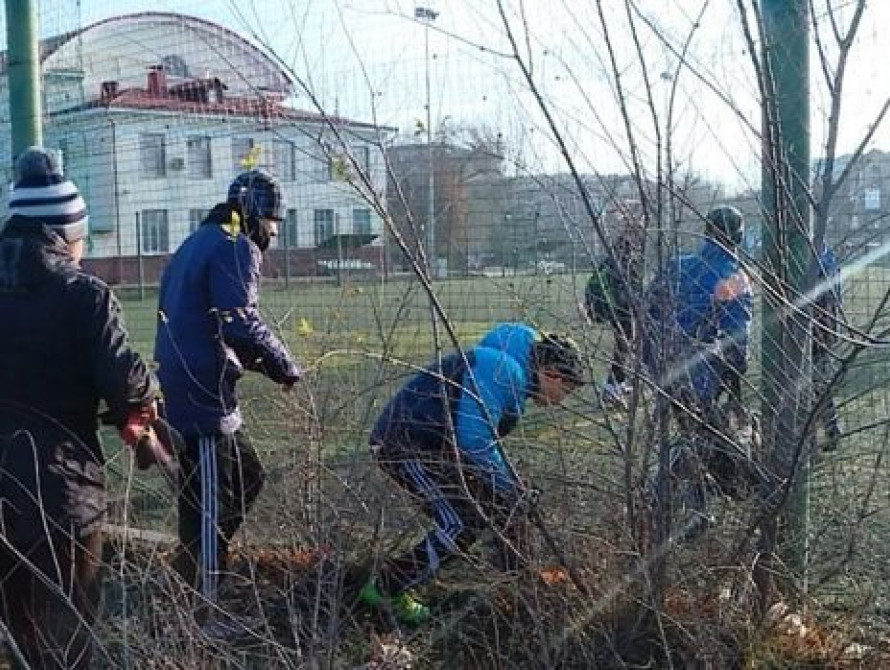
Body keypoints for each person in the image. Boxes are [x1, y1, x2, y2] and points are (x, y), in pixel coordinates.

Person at [0, 147, 160, 668]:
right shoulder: (83, 294)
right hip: (61, 499)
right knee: (67, 642)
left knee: (17, 635)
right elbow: (123, 381)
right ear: (67, 235)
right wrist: (146, 396)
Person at [360, 323, 585, 625]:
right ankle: (385, 589)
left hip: (436, 449)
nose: (562, 400)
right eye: (565, 390)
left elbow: (475, 442)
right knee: (459, 522)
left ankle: (523, 591)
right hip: (406, 445)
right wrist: (510, 485)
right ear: (551, 374)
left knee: (504, 507)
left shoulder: (508, 371)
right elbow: (474, 442)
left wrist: (511, 488)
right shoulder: (504, 373)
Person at [154, 170, 301, 629]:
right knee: (212, 500)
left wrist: (255, 364)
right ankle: (205, 610)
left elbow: (210, 321)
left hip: (192, 381)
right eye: (271, 224)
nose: (272, 234)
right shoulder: (235, 244)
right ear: (254, 215)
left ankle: (190, 574)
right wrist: (284, 365)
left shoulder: (198, 240)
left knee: (245, 478)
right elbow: (240, 322)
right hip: (203, 394)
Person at [645, 205, 753, 420]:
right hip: (703, 376)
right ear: (738, 237)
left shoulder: (675, 266)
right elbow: (737, 338)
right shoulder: (734, 278)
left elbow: (647, 313)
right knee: (707, 437)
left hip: (663, 366)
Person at [585, 215, 644, 406]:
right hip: (621, 307)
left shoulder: (618, 249)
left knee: (625, 345)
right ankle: (611, 388)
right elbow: (627, 283)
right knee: (624, 346)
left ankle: (618, 382)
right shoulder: (626, 253)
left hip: (616, 306)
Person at [812, 242, 843, 448]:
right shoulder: (827, 255)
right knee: (819, 382)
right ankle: (830, 430)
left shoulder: (817, 259)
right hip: (825, 329)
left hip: (817, 330)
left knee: (816, 382)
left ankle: (830, 431)